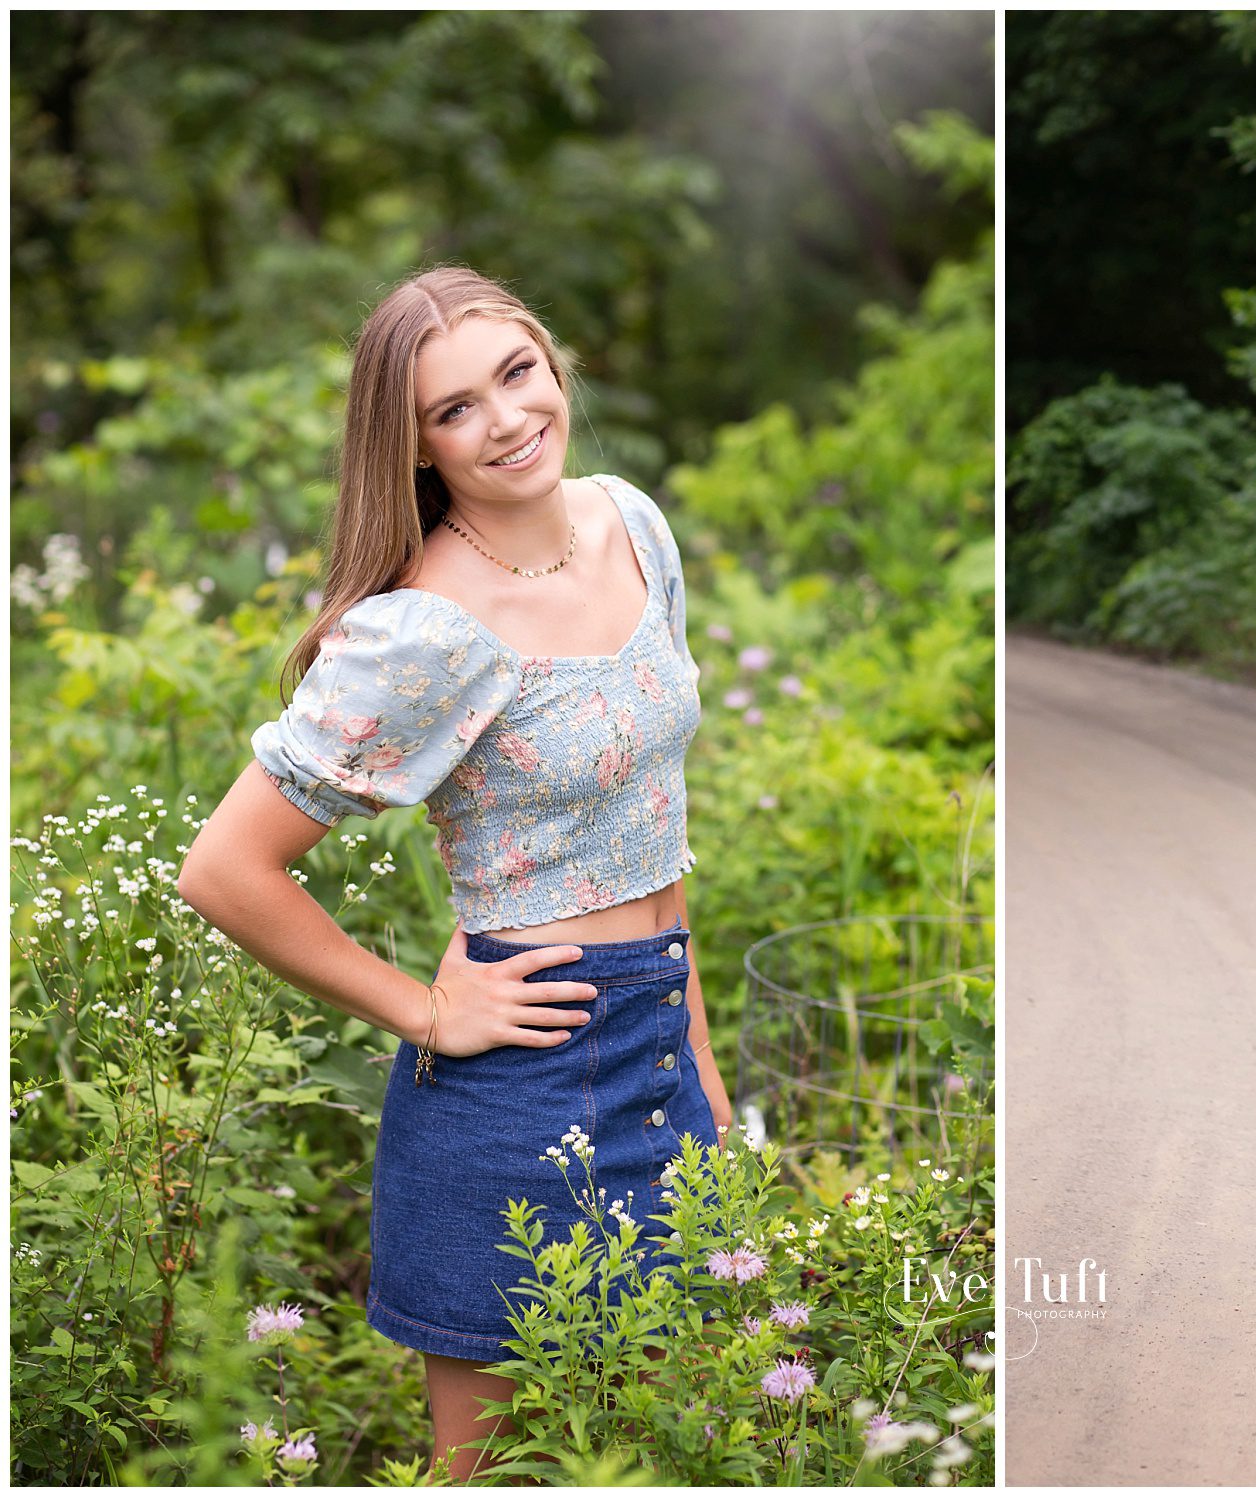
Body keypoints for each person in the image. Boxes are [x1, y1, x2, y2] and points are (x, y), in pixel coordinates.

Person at [176, 266, 732, 1476]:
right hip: (518, 1088)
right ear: (417, 446)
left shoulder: (631, 523)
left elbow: (655, 828)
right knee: (491, 1475)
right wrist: (427, 1007)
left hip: (659, 1048)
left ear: (548, 359)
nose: (506, 421)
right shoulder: (426, 628)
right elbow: (225, 869)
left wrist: (700, 1064)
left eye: (514, 375)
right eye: (454, 410)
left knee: (662, 1449)